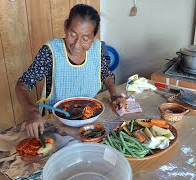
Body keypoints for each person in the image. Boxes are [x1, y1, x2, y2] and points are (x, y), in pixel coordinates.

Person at [15, 4, 125, 138]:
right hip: (55, 122)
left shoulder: (97, 49)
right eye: (73, 34)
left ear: (93, 36)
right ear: (66, 27)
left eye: (85, 39)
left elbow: (106, 74)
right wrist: (32, 111)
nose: (77, 45)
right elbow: (22, 85)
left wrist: (114, 95)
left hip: (88, 117)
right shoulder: (51, 52)